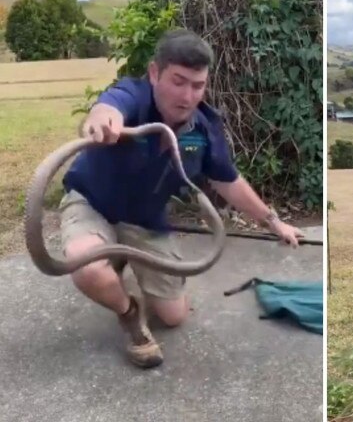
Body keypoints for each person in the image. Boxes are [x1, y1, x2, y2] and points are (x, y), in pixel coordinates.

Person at [59, 28, 304, 369]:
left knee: (175, 316)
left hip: (144, 219)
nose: (188, 95)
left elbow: (227, 180)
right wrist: (102, 119)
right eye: (178, 81)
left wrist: (274, 222)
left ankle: (119, 258)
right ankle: (129, 314)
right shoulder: (133, 96)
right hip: (93, 203)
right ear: (155, 73)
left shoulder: (203, 129)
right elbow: (109, 106)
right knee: (86, 266)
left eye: (197, 85)